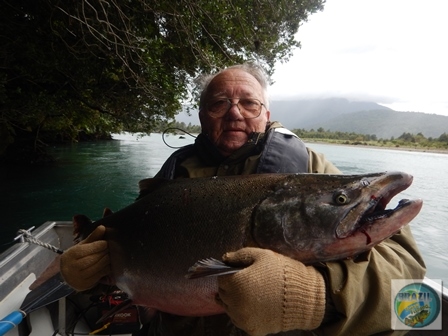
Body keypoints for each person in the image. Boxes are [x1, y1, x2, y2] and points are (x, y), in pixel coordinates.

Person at [60, 63, 426, 335]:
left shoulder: (312, 171)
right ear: (203, 116)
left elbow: (408, 285)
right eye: (220, 103)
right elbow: (129, 251)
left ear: (266, 115)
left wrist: (317, 297)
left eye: (249, 103)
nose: (235, 112)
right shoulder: (171, 179)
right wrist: (92, 273)